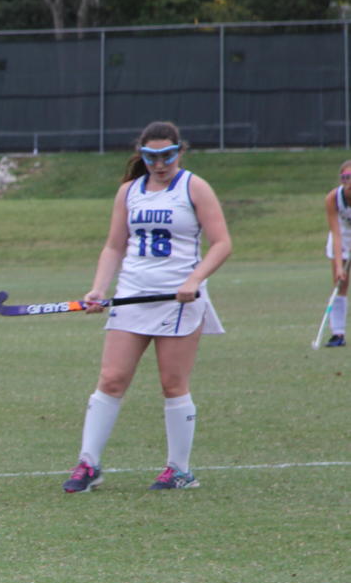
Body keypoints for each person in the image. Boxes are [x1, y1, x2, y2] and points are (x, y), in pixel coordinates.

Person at [63, 121, 233, 493]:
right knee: (111, 379)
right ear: (141, 154)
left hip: (178, 300)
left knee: (173, 384)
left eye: (167, 155)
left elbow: (221, 243)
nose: (159, 163)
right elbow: (114, 246)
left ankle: (179, 469)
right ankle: (88, 464)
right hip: (132, 294)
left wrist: (194, 280)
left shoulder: (194, 187)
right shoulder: (129, 192)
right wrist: (97, 289)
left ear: (179, 151)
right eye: (151, 156)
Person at [319, 160, 350, 347]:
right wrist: (339, 266)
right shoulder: (333, 198)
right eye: (345, 177)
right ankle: (338, 333)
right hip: (343, 237)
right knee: (340, 284)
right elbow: (336, 234)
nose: (348, 181)